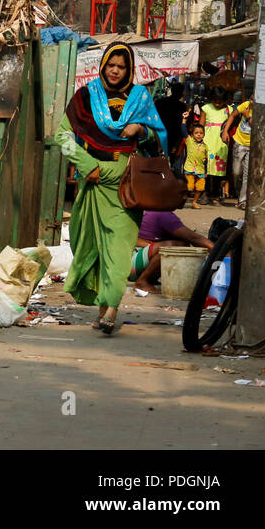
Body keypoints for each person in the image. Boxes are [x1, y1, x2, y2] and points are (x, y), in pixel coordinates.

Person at [56, 42, 167, 336]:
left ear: (129, 70)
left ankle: (113, 307)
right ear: (103, 66)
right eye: (111, 65)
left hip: (126, 182)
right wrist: (85, 163)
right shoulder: (85, 97)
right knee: (89, 243)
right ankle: (102, 307)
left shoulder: (141, 97)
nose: (115, 71)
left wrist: (140, 130)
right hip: (92, 178)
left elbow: (159, 140)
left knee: (118, 246)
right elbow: (62, 134)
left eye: (121, 66)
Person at [128, 210, 213, 295]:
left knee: (181, 245)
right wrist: (221, 252)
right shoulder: (162, 215)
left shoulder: (155, 212)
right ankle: (142, 281)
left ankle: (147, 279)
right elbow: (194, 238)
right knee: (176, 247)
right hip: (133, 265)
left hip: (130, 264)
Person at [200, 88, 233, 202]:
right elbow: (201, 125)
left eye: (220, 101)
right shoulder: (206, 108)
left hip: (221, 142)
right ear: (211, 99)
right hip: (207, 140)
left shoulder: (229, 109)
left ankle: (215, 193)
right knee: (207, 168)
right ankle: (205, 192)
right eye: (215, 101)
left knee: (219, 169)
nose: (218, 104)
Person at [222, 98, 253, 210]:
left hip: (252, 145)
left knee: (247, 174)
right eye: (251, 99)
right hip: (239, 143)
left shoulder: (263, 110)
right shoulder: (246, 105)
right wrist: (225, 131)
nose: (252, 102)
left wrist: (247, 116)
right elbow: (232, 116)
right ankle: (240, 194)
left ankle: (242, 201)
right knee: (236, 172)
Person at [182, 123, 208, 209]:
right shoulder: (189, 141)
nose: (199, 134)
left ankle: (194, 202)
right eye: (196, 133)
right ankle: (181, 200)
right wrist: (184, 120)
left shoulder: (205, 146)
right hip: (189, 168)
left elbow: (206, 160)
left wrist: (206, 171)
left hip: (200, 170)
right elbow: (183, 130)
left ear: (203, 134)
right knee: (189, 187)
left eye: (201, 133)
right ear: (192, 134)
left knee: (200, 188)